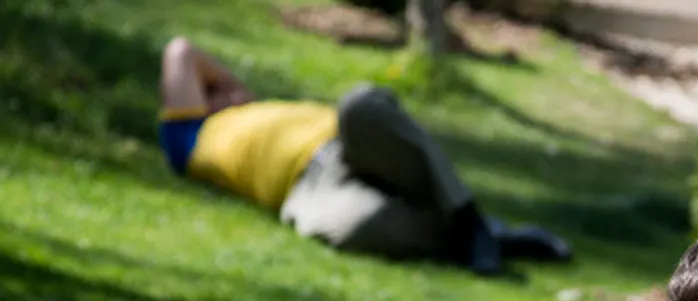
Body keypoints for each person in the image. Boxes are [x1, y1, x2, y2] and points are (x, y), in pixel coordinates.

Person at [157, 37, 568, 274]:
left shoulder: (268, 107)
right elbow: (180, 52)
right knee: (347, 228)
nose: (225, 91)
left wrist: (241, 91)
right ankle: (486, 237)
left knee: (362, 104)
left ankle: (469, 221)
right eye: (214, 91)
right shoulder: (190, 140)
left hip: (350, 141)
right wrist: (228, 96)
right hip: (304, 190)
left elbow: (193, 56)